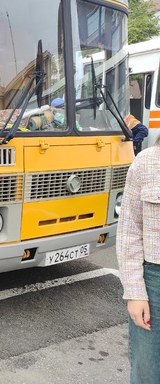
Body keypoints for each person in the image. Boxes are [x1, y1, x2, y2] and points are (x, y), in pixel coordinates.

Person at [116, 136, 160, 384]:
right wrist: (135, 293)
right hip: (153, 283)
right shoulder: (145, 163)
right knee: (147, 372)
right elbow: (129, 231)